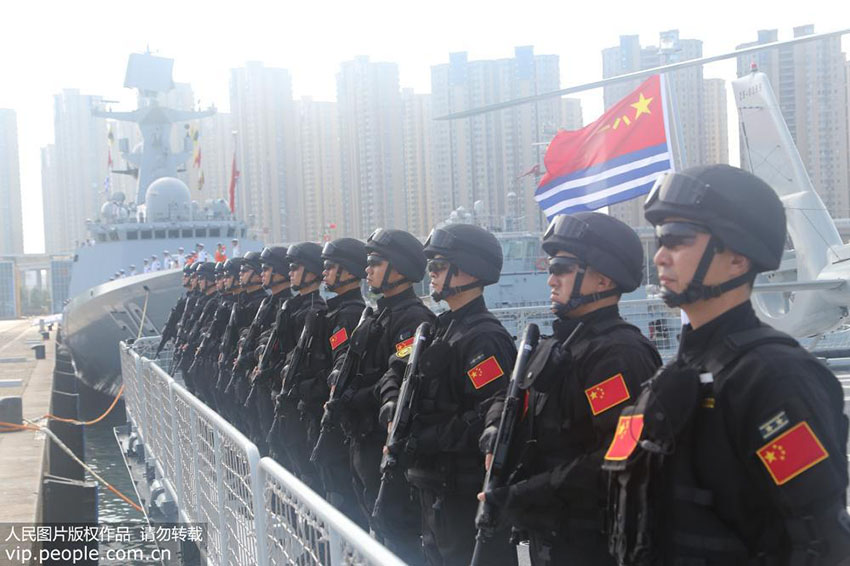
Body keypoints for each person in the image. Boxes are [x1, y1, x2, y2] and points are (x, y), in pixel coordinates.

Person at [604, 165, 850, 565]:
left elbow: (820, 540)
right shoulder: (672, 376)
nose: (660, 256)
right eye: (660, 241)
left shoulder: (775, 380)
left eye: (677, 239)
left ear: (737, 260)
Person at [479, 213, 662, 565]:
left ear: (603, 279)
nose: (551, 279)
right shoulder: (557, 344)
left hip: (591, 542)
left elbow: (618, 455)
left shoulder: (618, 356)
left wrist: (526, 494)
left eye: (561, 268)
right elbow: (509, 394)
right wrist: (494, 426)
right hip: (551, 534)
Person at [378, 224, 517, 566]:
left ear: (470, 271)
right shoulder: (438, 329)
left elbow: (490, 415)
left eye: (440, 266)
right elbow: (395, 370)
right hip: (434, 489)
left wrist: (426, 438)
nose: (432, 274)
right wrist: (393, 403)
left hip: (464, 495)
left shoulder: (485, 340)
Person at [307, 237, 369, 528]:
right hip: (325, 415)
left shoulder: (350, 314)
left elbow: (339, 368)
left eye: (331, 266)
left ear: (348, 271)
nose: (325, 272)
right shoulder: (334, 312)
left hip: (341, 421)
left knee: (345, 499)